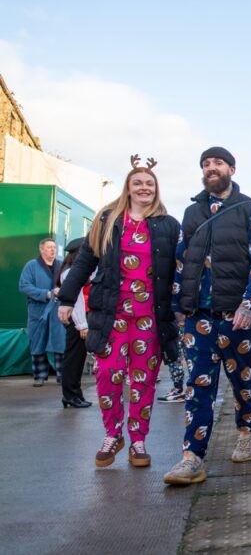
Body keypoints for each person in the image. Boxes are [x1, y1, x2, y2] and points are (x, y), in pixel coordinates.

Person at [58, 155, 180, 468]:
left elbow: (178, 269)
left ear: (156, 189)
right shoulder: (108, 220)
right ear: (127, 187)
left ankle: (138, 440)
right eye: (137, 183)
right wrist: (67, 299)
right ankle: (113, 433)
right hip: (111, 314)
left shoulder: (168, 225)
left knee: (143, 380)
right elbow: (85, 261)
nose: (144, 188)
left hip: (149, 318)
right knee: (107, 373)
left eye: (149, 184)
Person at [164, 146, 251, 486]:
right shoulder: (191, 213)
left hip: (237, 317)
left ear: (232, 169)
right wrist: (179, 307)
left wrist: (249, 305)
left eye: (218, 163)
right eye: (206, 164)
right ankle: (192, 457)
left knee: (244, 384)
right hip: (200, 317)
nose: (212, 168)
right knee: (198, 387)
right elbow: (181, 262)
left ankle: (247, 431)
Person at [18, 238, 65, 386]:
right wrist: (46, 294)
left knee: (60, 342)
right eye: (49, 247)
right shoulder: (31, 266)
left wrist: (61, 291)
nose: (53, 250)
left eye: (54, 247)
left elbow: (69, 282)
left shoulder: (61, 265)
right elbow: (24, 286)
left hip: (57, 310)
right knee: (38, 341)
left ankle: (62, 376)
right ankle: (39, 376)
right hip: (38, 310)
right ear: (42, 249)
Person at [57, 238, 92, 408]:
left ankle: (75, 395)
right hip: (78, 320)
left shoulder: (76, 272)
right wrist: (82, 325)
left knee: (78, 359)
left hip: (81, 319)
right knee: (73, 359)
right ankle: (70, 395)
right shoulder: (71, 273)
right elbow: (76, 303)